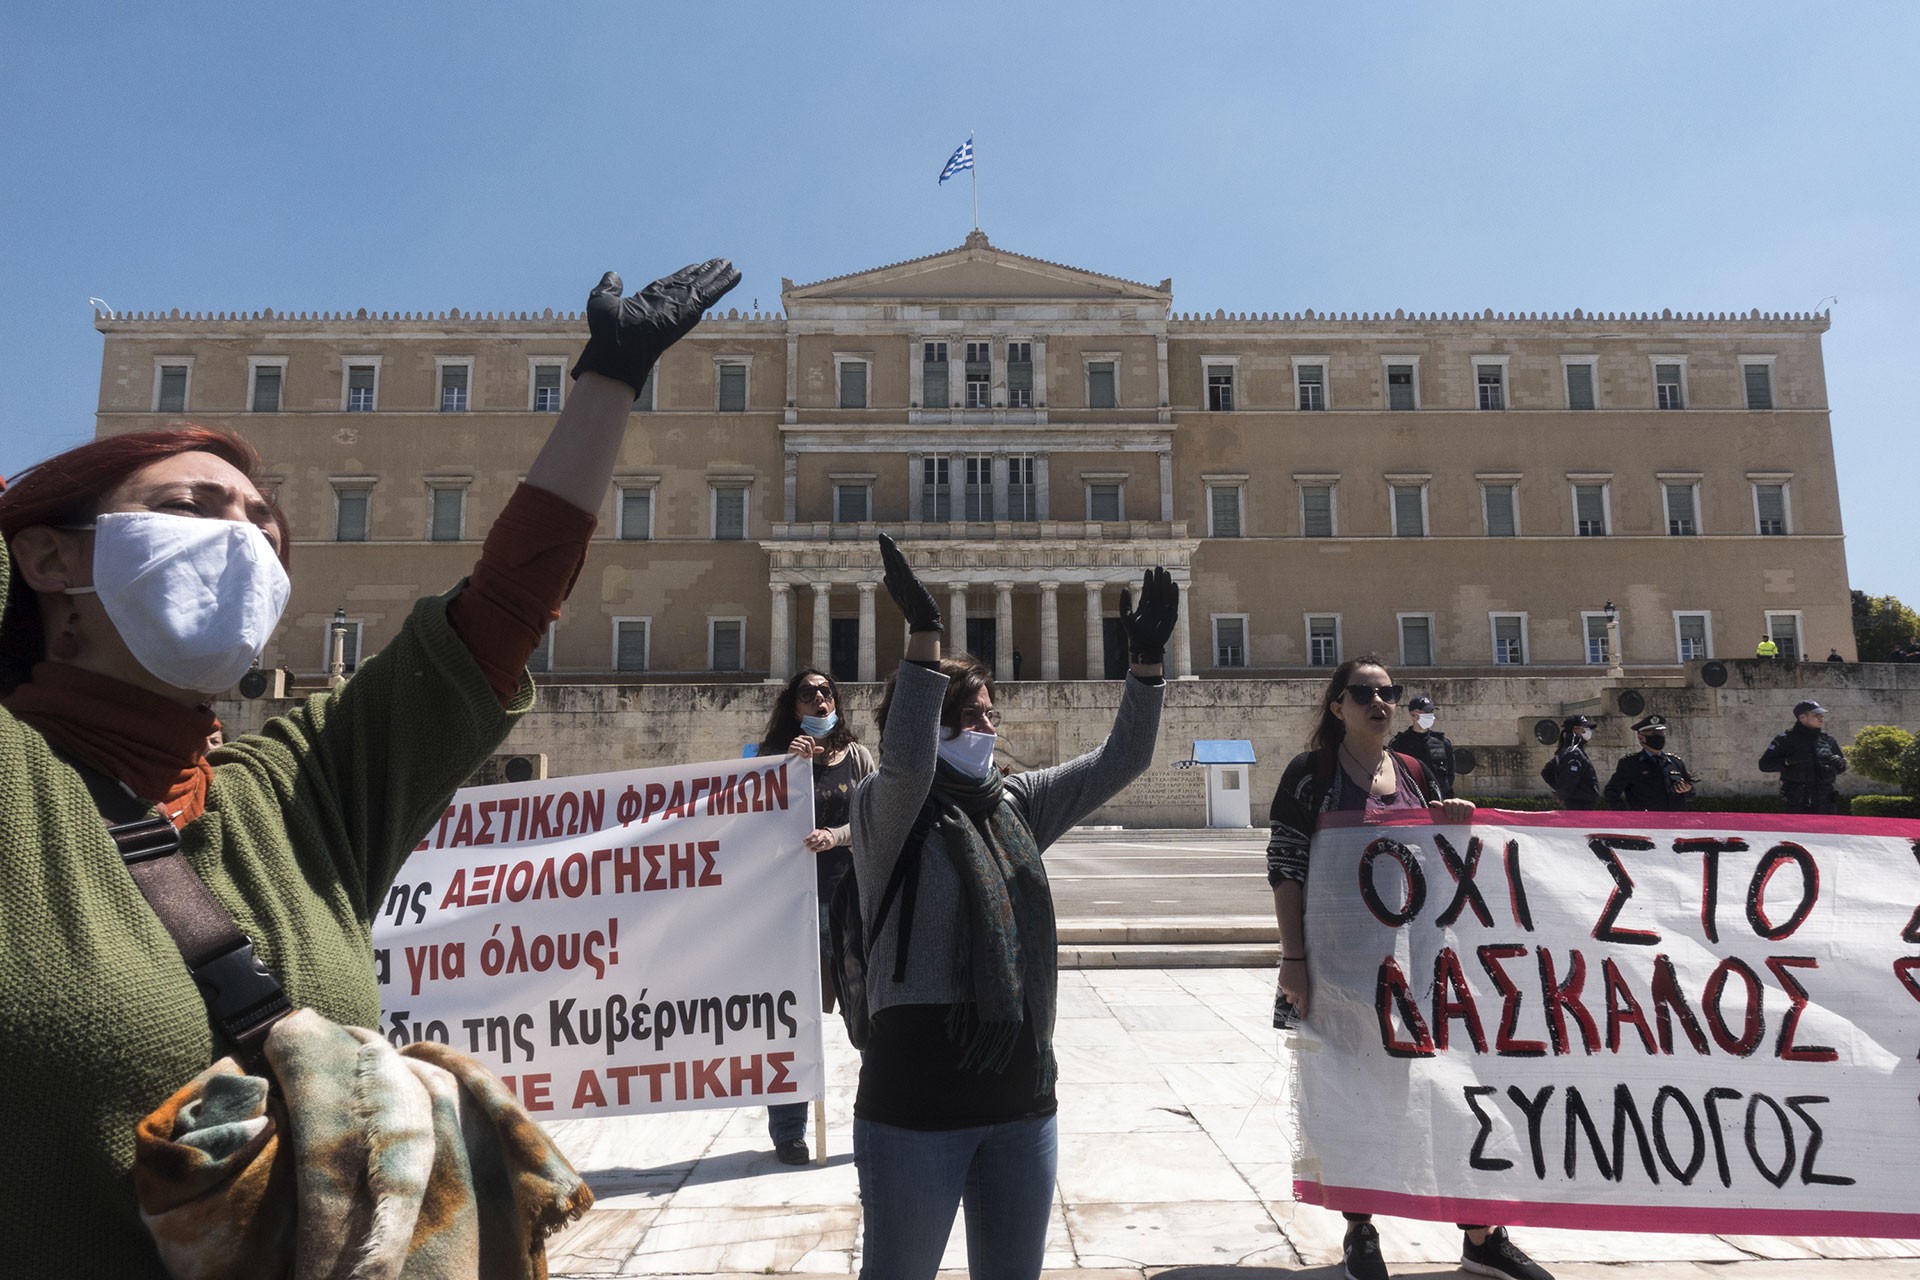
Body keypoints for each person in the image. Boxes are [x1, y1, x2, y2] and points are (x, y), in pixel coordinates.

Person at [0, 260, 739, 1275]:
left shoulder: (300, 793)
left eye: (265, 521)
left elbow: (497, 615)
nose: (246, 537)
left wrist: (609, 379)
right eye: (195, 505)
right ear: (48, 560)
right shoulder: (16, 783)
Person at [848, 535, 1174, 1280]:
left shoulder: (1015, 803)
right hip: (916, 1097)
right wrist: (924, 640)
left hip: (1022, 1090)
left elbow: (1121, 761)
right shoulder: (889, 808)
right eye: (969, 717)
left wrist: (1146, 666)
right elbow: (904, 764)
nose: (987, 729)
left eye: (991, 714)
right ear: (926, 721)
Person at [1266, 658, 1551, 1280]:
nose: (1379, 701)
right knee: (1352, 1094)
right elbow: (1286, 866)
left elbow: (1443, 869)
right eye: (1363, 692)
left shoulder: (1419, 772)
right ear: (1337, 706)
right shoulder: (1310, 775)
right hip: (1338, 968)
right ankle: (1361, 1231)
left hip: (1417, 968)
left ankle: (1480, 1234)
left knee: (1448, 1093)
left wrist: (1456, 826)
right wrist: (1294, 960)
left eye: (1387, 692)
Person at [755, 666, 876, 1165]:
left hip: (852, 899)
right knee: (791, 1020)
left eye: (828, 691)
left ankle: (881, 1113)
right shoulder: (772, 760)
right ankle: (789, 1132)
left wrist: (838, 837)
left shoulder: (861, 757)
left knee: (868, 1011)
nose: (821, 700)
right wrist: (789, 768)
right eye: (809, 694)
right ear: (794, 706)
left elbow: (877, 814)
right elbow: (756, 821)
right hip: (793, 905)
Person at [1759, 699, 1848, 814]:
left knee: (1827, 831)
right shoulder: (1785, 739)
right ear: (1802, 718)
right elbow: (1764, 765)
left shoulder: (1828, 740)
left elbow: (1841, 766)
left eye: (1821, 715)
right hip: (1797, 801)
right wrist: (1788, 761)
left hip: (1825, 801)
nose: (1821, 718)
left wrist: (1840, 764)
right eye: (1816, 715)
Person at [1603, 713, 1698, 810]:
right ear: (1641, 738)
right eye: (1654, 733)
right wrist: (1627, 817)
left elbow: (1691, 796)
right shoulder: (1630, 764)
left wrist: (1687, 790)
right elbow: (1611, 793)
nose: (1659, 737)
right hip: (1647, 822)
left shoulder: (1675, 762)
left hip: (1676, 821)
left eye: (1661, 733)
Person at [1387, 693, 1456, 798]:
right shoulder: (1399, 744)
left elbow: (1450, 774)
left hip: (1439, 800)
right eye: (1425, 712)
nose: (1430, 715)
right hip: (1412, 800)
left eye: (1431, 712)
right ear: (1413, 714)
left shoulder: (1442, 742)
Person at [1539, 713, 1601, 809]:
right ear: (1575, 729)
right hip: (1580, 806)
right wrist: (1562, 793)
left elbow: (1546, 772)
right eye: (1584, 728)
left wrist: (1560, 790)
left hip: (1576, 804)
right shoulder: (1574, 753)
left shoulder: (1565, 750)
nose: (1588, 731)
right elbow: (1569, 778)